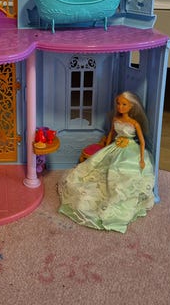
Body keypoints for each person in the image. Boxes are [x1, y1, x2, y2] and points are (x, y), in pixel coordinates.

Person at [58, 91, 155, 233]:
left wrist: (141, 159)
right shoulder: (116, 118)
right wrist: (105, 147)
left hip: (129, 149)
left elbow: (142, 141)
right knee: (97, 165)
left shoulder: (134, 123)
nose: (120, 107)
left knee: (119, 170)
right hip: (115, 146)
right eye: (118, 104)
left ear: (131, 106)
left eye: (124, 104)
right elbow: (111, 133)